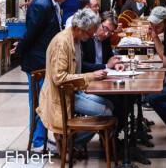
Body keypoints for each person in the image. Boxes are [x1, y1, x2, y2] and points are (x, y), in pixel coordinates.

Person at [37, 9, 114, 156]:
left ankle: (71, 141)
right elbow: (59, 79)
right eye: (89, 34)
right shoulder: (62, 43)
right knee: (107, 112)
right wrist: (90, 77)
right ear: (78, 29)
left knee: (110, 104)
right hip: (61, 95)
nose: (91, 37)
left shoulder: (76, 39)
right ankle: (70, 141)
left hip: (74, 91)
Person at [12, 0, 73, 152]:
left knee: (45, 100)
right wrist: (20, 49)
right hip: (38, 61)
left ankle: (43, 137)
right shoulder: (41, 4)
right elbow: (32, 32)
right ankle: (38, 141)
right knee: (39, 101)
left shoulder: (51, 2)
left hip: (45, 59)